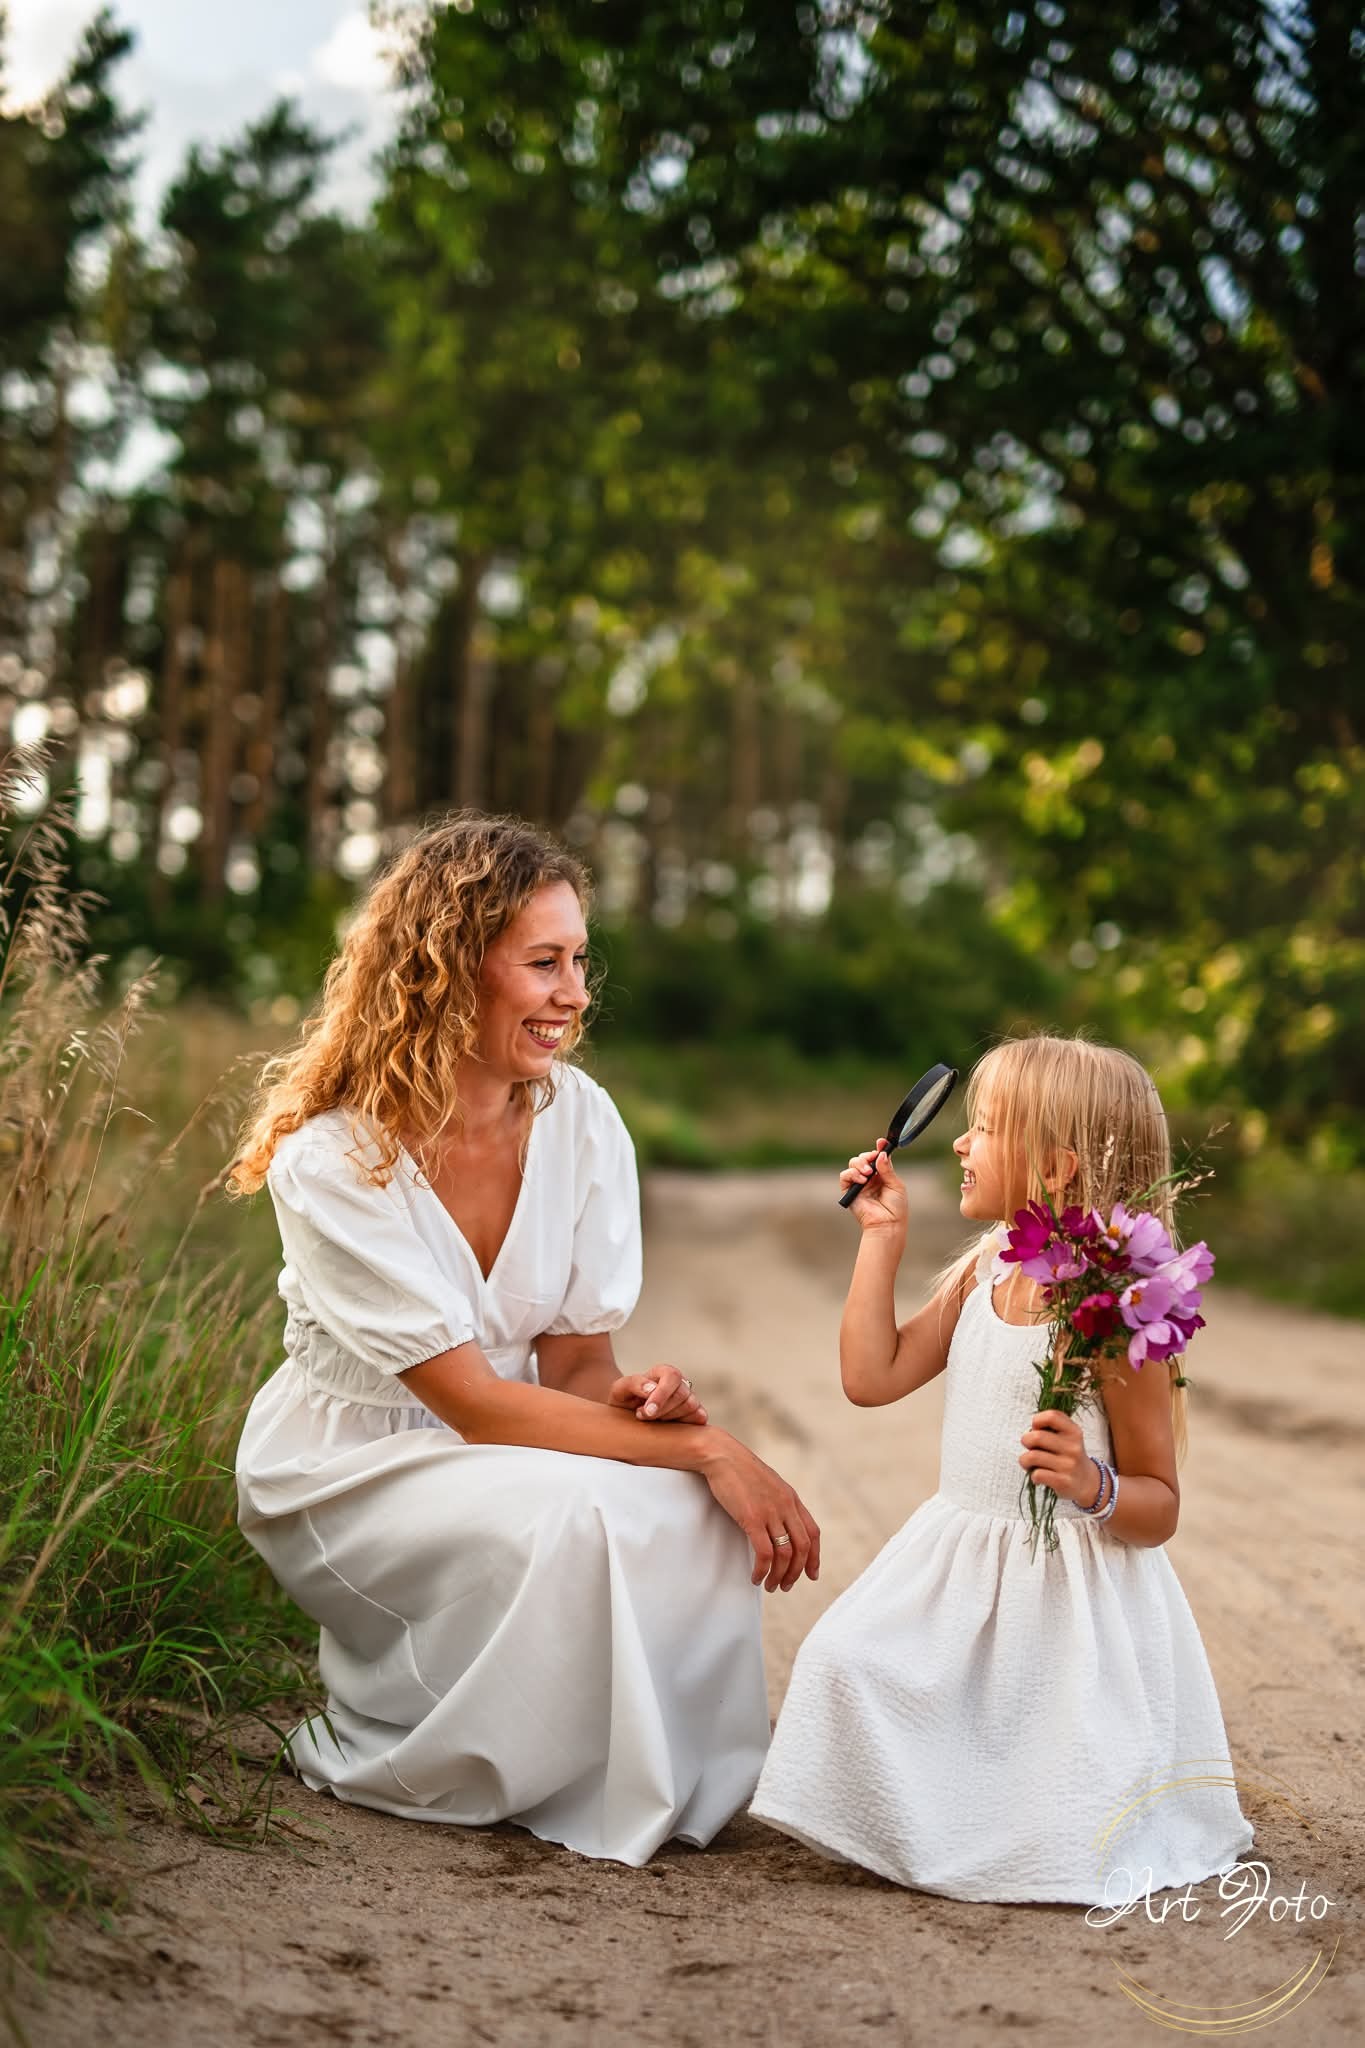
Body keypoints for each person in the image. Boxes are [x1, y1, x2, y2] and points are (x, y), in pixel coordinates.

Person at [230, 811, 819, 1867]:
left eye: (581, 960)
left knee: (682, 1508)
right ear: (450, 970)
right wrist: (712, 1444)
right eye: (544, 962)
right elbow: (473, 1402)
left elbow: (575, 1369)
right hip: (351, 1460)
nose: (577, 993)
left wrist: (640, 1404)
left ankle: (654, 1779)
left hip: (498, 1433)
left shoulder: (582, 1121)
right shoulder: (330, 1159)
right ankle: (445, 1752)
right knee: (592, 1505)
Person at [749, 1033, 1253, 1904]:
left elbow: (1159, 1505)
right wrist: (882, 1236)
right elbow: (871, 1379)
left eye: (982, 1127)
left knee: (1056, 1757)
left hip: (1067, 1597)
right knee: (842, 1660)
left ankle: (1004, 1829)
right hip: (959, 1562)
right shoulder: (986, 1268)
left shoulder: (1111, 1311)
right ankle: (939, 1819)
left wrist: (1090, 1486)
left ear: (1054, 1170)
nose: (957, 1142)